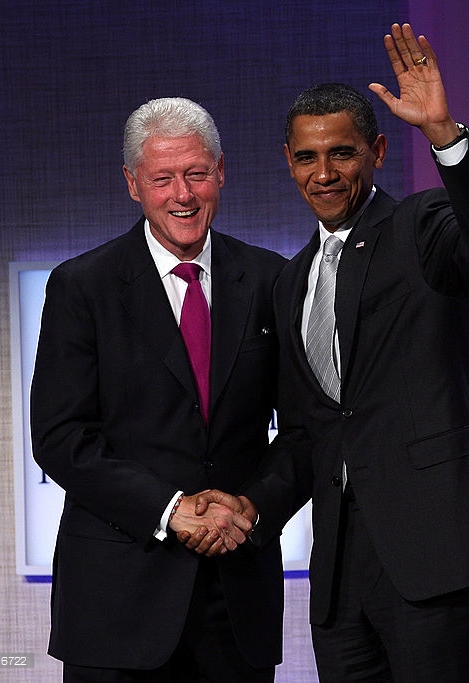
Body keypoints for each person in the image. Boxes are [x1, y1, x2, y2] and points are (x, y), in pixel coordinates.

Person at [197, 22, 469, 681]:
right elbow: (307, 433)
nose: (323, 173)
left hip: (433, 558)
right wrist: (252, 503)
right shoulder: (290, 280)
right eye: (305, 158)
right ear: (288, 161)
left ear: (376, 150)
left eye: (342, 154)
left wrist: (444, 134)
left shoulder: (421, 229)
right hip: (342, 573)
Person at [30, 97, 286, 682]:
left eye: (197, 174)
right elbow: (61, 436)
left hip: (237, 592)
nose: (183, 195)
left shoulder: (272, 279)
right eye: (163, 178)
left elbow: (303, 428)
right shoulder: (83, 287)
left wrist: (251, 507)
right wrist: (170, 510)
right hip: (119, 598)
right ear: (132, 184)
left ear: (221, 171)